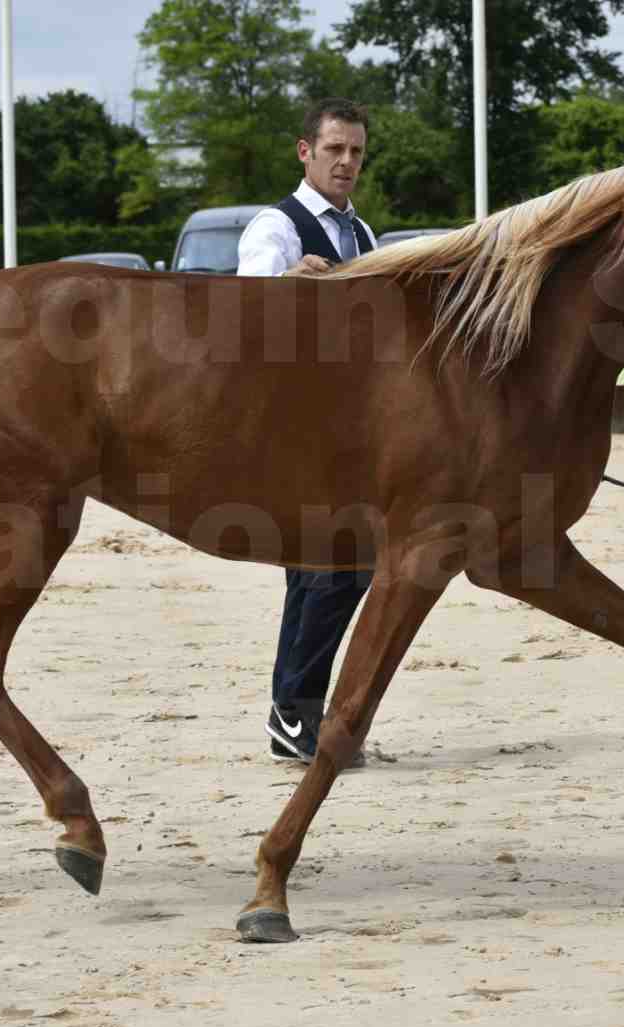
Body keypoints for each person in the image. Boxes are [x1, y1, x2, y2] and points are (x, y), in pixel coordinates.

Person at [236, 97, 378, 766]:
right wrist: (283, 285)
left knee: (330, 574)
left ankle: (293, 715)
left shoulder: (364, 235)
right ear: (305, 152)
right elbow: (242, 313)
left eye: (354, 150)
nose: (346, 161)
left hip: (347, 436)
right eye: (334, 150)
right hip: (292, 431)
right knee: (330, 572)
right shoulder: (278, 227)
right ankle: (294, 717)